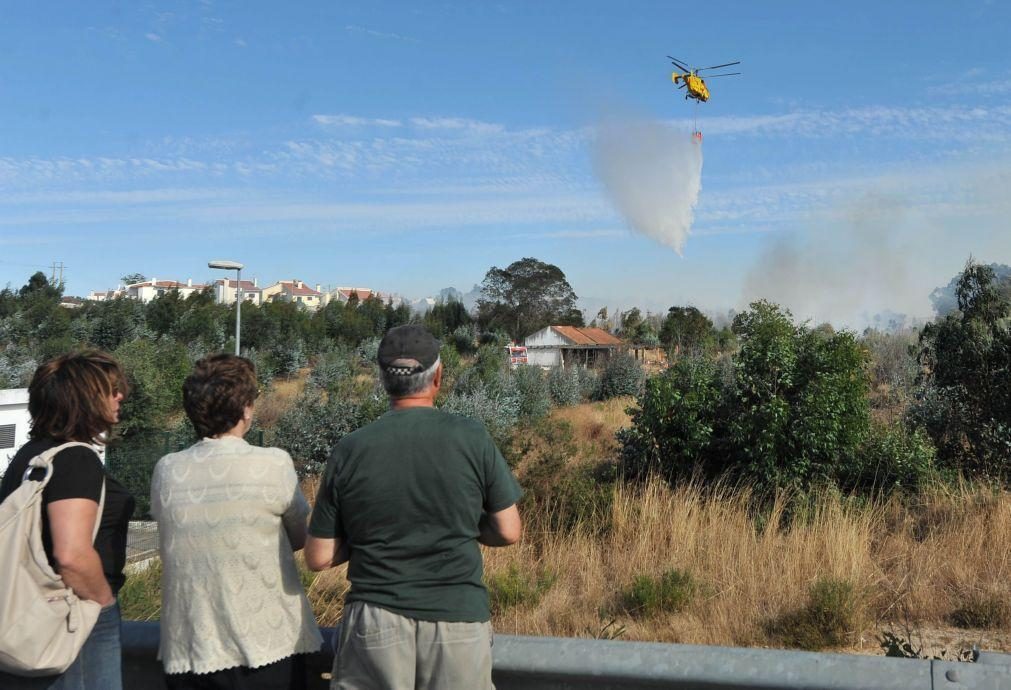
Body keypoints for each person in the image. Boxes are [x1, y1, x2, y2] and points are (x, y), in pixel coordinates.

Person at [305, 325, 523, 690]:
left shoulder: (350, 448)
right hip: (457, 620)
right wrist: (467, 526)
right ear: (437, 376)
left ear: (382, 379)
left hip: (374, 623)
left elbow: (318, 556)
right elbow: (508, 530)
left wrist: (364, 540)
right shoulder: (471, 437)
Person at [151, 354, 322, 690]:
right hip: (267, 647)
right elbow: (301, 537)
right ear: (245, 408)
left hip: (190, 648)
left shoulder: (167, 470)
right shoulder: (273, 464)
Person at [0, 350, 135, 689]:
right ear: (85, 398)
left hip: (28, 613)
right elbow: (72, 555)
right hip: (73, 612)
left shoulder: (31, 456)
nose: (120, 396)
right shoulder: (76, 458)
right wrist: (103, 603)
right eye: (111, 389)